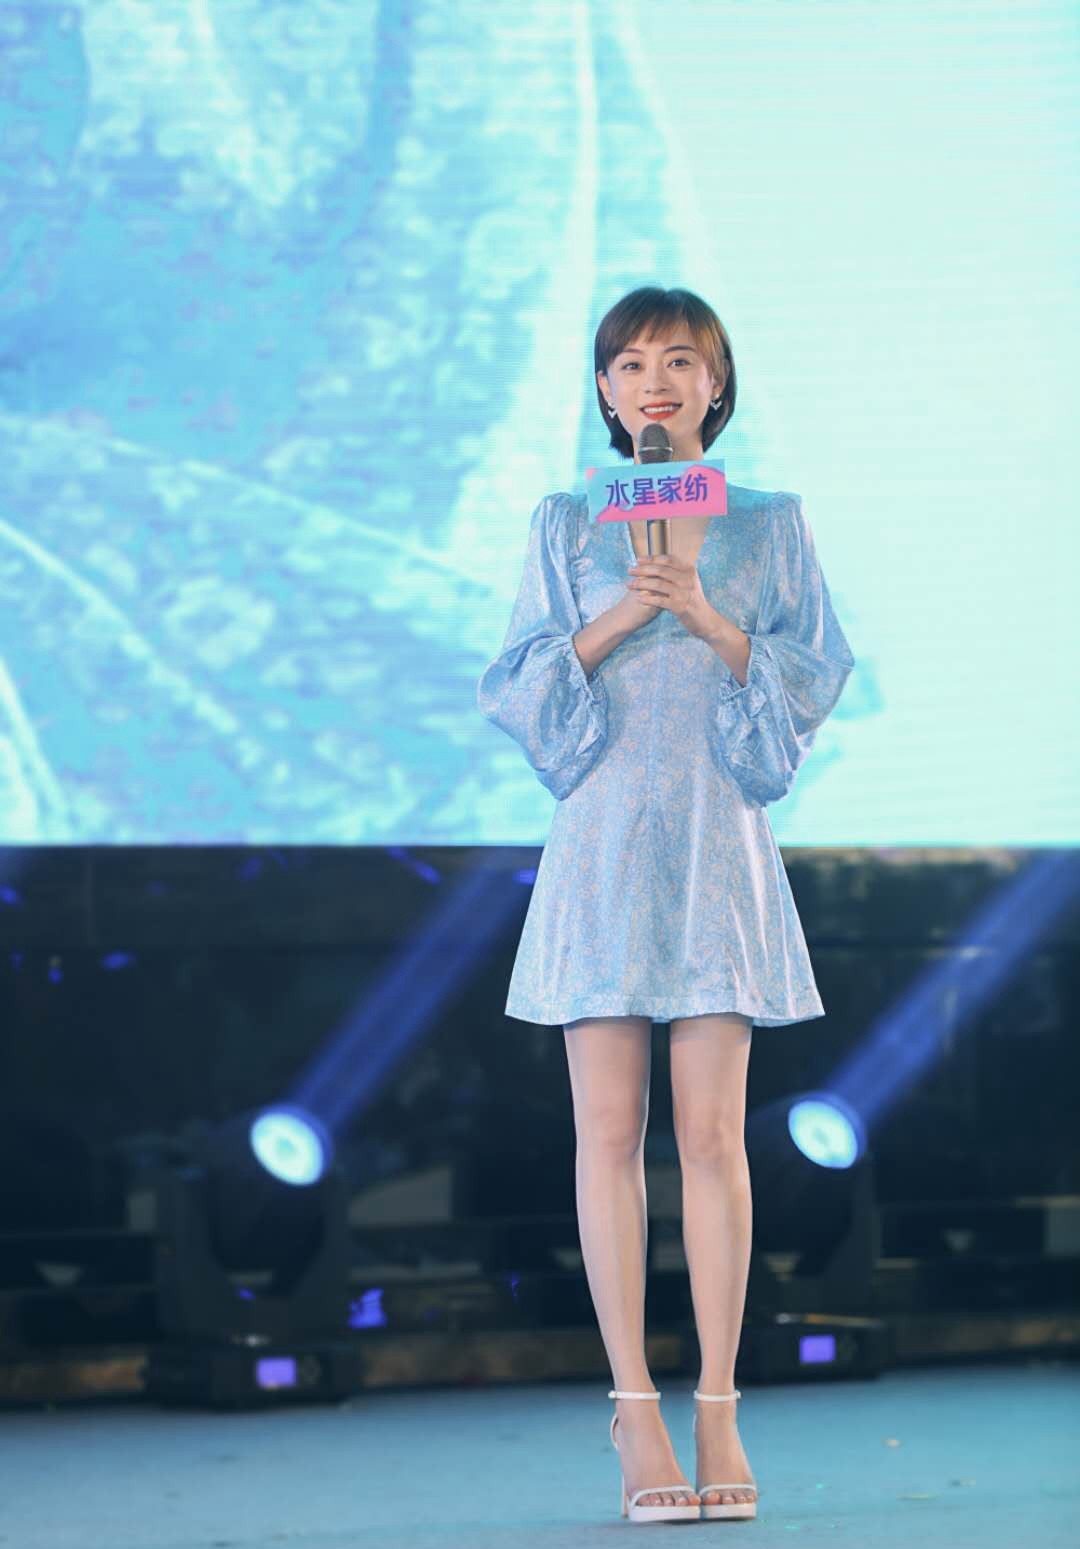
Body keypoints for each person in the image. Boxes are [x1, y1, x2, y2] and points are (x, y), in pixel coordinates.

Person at [476, 286, 855, 1523]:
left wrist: (707, 616)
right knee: (607, 1130)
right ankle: (634, 1410)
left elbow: (814, 677)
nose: (655, 382)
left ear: (715, 384)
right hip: (602, 845)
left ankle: (720, 1405)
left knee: (712, 1137)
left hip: (716, 843)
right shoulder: (567, 520)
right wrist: (616, 618)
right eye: (632, 362)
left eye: (680, 361)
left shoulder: (769, 523)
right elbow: (517, 686)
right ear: (605, 390)